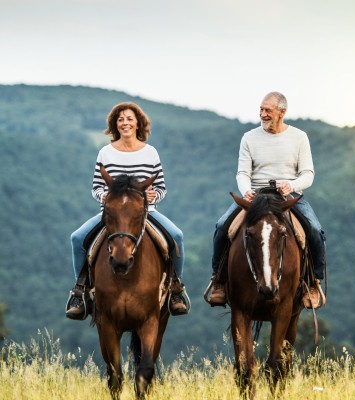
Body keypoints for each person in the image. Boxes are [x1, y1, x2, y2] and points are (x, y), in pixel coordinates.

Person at [66, 102, 188, 319]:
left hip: (145, 211)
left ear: (138, 123)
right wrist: (103, 196)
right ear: (115, 124)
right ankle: (80, 290)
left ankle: (176, 288)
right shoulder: (105, 152)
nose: (125, 123)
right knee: (77, 238)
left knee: (176, 236)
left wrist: (153, 196)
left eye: (129, 118)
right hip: (113, 213)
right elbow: (96, 187)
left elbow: (161, 187)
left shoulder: (150, 153)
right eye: (120, 119)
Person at [209, 92, 326, 309]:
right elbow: (242, 173)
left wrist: (292, 185)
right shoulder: (249, 137)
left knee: (315, 230)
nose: (262, 114)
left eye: (267, 111)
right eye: (261, 110)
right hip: (255, 196)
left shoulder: (299, 137)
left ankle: (313, 283)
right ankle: (218, 281)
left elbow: (308, 173)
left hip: (286, 196)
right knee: (222, 226)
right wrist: (246, 191)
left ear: (282, 112)